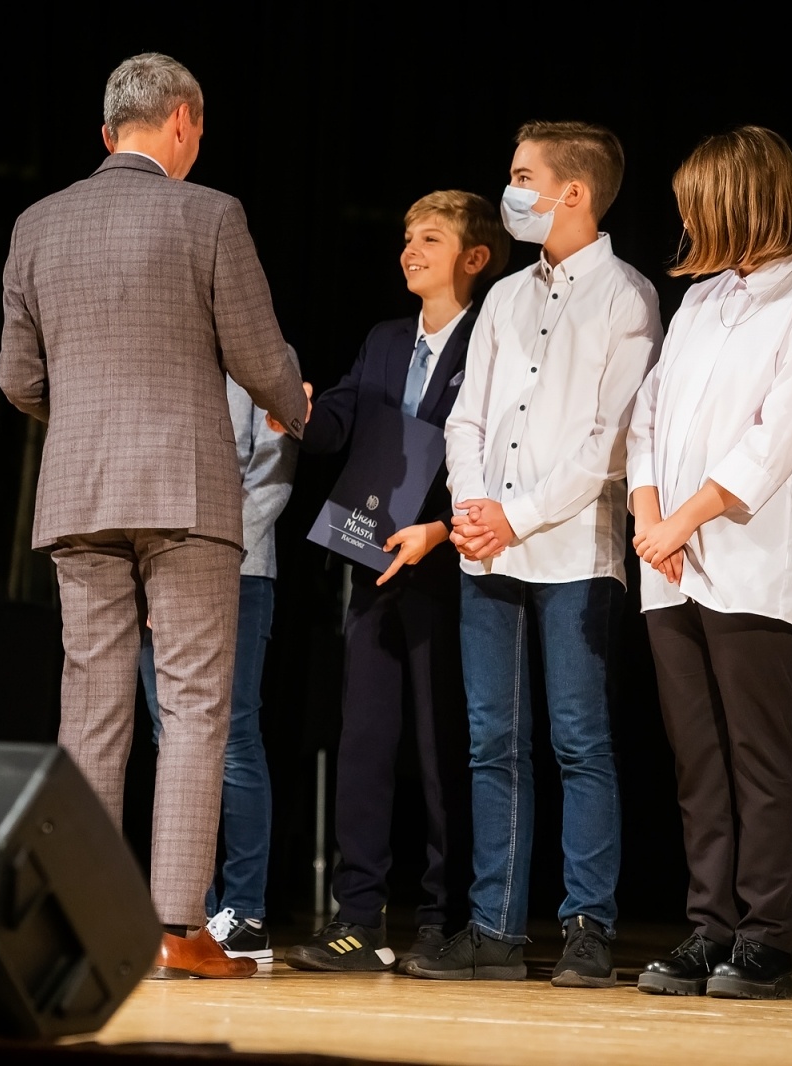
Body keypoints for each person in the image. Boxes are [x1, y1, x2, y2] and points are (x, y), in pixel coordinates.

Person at [0, 52, 308, 981]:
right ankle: (177, 926)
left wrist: (89, 410)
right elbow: (258, 352)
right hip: (184, 488)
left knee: (88, 709)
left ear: (106, 134)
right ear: (184, 124)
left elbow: (16, 379)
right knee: (195, 703)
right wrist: (296, 402)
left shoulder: (36, 222)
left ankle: (81, 921)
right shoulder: (210, 212)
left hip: (79, 490)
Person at [407, 121, 661, 987]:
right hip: (490, 550)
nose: (511, 192)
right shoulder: (507, 298)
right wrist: (475, 508)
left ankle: (587, 925)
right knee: (492, 742)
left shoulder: (625, 298)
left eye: (523, 178)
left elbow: (610, 445)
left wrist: (515, 515)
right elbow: (467, 416)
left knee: (580, 741)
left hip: (573, 553)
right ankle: (495, 927)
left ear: (573, 194)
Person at [627, 127, 792, 1001]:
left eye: (700, 202)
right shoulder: (699, 301)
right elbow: (647, 416)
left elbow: (780, 434)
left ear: (743, 200)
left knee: (759, 753)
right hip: (670, 560)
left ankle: (765, 938)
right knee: (696, 758)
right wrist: (653, 517)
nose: (688, 219)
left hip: (756, 559)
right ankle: (708, 927)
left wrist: (683, 518)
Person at [278, 192, 507, 974]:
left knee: (445, 747)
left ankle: (444, 919)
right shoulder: (383, 339)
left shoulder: (493, 338)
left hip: (455, 567)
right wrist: (298, 412)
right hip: (374, 564)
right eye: (406, 237)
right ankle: (358, 919)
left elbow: (501, 450)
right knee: (364, 742)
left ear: (474, 258)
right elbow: (341, 418)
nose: (409, 250)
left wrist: (444, 525)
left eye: (430, 239)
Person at [139, 356, 300, 965]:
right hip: (154, 571)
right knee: (169, 735)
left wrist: (209, 560)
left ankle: (246, 912)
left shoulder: (261, 354)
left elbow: (274, 473)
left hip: (239, 570)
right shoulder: (157, 347)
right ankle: (185, 912)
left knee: (232, 734)